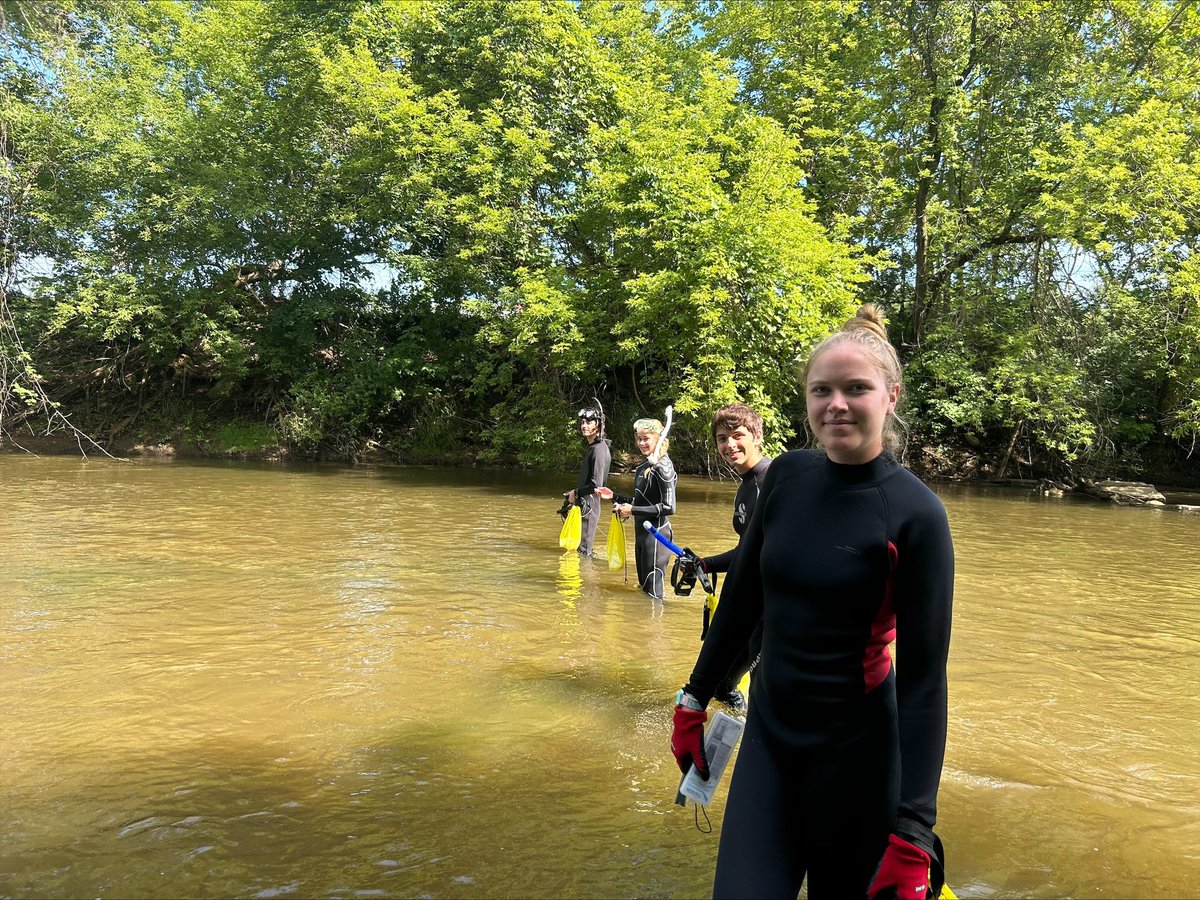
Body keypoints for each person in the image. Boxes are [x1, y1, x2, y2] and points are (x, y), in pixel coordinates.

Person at [670, 305, 954, 900]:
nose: (837, 404)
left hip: (861, 760)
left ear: (891, 396)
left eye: (857, 389)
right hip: (771, 745)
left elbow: (925, 680)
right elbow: (743, 601)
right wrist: (693, 698)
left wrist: (914, 828)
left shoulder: (917, 514)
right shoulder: (786, 479)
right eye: (821, 389)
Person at [692, 403, 772, 710]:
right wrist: (705, 563)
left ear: (757, 437)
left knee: (762, 692)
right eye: (722, 438)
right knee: (722, 685)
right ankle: (736, 738)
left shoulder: (769, 481)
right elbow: (748, 550)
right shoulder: (746, 484)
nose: (729, 444)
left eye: (737, 435)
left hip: (767, 610)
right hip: (746, 604)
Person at [614, 417, 677, 599]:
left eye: (646, 438)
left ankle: (656, 626)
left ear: (658, 438)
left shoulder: (663, 467)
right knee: (643, 591)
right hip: (642, 535)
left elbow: (669, 507)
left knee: (654, 596)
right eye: (639, 439)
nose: (641, 443)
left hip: (657, 536)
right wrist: (614, 497)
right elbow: (641, 500)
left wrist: (632, 510)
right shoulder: (644, 466)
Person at [564, 406, 612, 557]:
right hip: (585, 503)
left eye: (589, 422)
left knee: (584, 551)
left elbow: (596, 485)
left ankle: (587, 577)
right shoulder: (594, 447)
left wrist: (576, 492)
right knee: (580, 548)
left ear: (598, 425)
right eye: (583, 422)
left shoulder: (599, 450)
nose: (584, 425)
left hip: (589, 505)